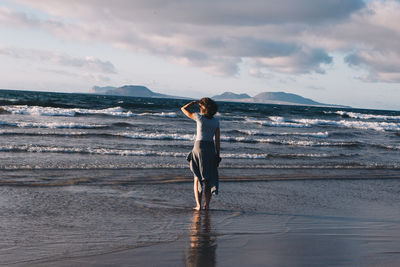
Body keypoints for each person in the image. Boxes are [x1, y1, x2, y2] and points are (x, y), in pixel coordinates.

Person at [181, 98, 220, 211]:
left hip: (199, 147)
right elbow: (217, 140)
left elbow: (183, 109)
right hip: (210, 149)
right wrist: (218, 155)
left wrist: (193, 103)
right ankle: (206, 205)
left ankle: (198, 205)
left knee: (197, 178)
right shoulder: (216, 122)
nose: (199, 107)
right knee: (207, 180)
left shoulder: (199, 117)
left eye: (201, 105)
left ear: (204, 107)